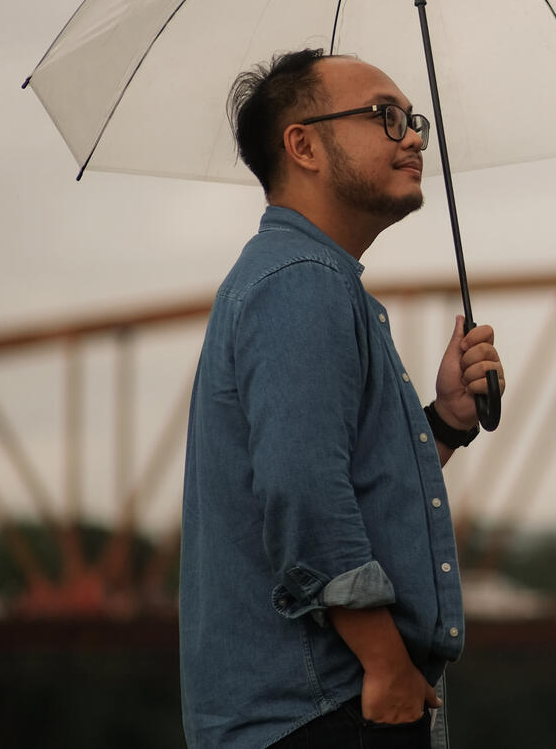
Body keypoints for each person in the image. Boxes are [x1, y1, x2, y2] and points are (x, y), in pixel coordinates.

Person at [180, 48, 506, 749]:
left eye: (413, 120)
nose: (413, 137)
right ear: (303, 146)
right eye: (384, 116)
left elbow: (350, 485)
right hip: (324, 709)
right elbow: (305, 493)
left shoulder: (306, 279)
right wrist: (385, 664)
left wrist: (446, 423)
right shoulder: (302, 282)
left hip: (320, 709)